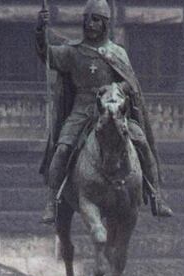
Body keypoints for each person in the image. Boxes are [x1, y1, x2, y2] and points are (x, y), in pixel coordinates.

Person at [35, 0, 171, 222]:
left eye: (96, 20)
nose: (90, 24)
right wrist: (40, 29)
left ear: (105, 23)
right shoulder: (73, 51)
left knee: (142, 143)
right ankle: (52, 203)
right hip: (82, 109)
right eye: (87, 20)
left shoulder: (117, 53)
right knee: (61, 149)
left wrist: (116, 88)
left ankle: (156, 196)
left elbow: (130, 84)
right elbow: (47, 55)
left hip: (113, 110)